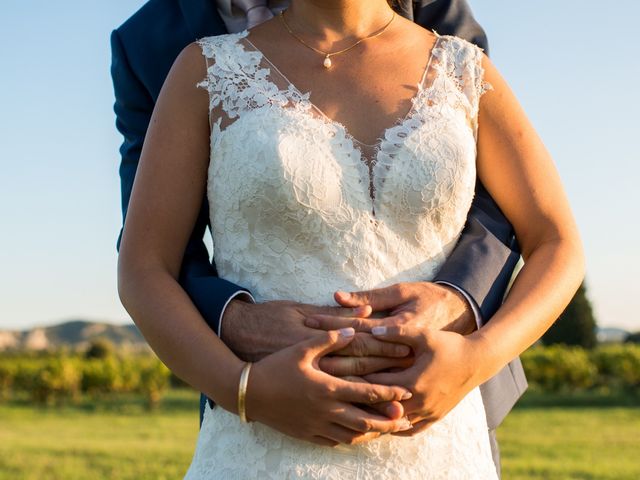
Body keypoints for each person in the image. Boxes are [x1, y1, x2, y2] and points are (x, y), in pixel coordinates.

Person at [112, 0, 580, 477]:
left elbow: (556, 242)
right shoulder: (202, 67)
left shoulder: (462, 66)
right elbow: (144, 267)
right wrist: (245, 389)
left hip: (440, 444)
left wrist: (476, 358)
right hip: (266, 450)